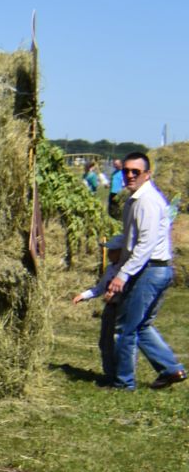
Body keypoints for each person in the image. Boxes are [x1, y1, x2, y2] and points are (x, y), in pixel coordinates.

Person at [73, 150, 183, 389]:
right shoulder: (136, 200)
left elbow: (146, 244)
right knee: (141, 325)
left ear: (147, 174)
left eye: (136, 171)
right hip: (154, 268)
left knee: (124, 328)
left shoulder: (146, 201)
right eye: (127, 171)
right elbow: (133, 238)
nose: (130, 175)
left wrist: (122, 274)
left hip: (150, 269)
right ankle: (171, 369)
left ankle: (123, 382)